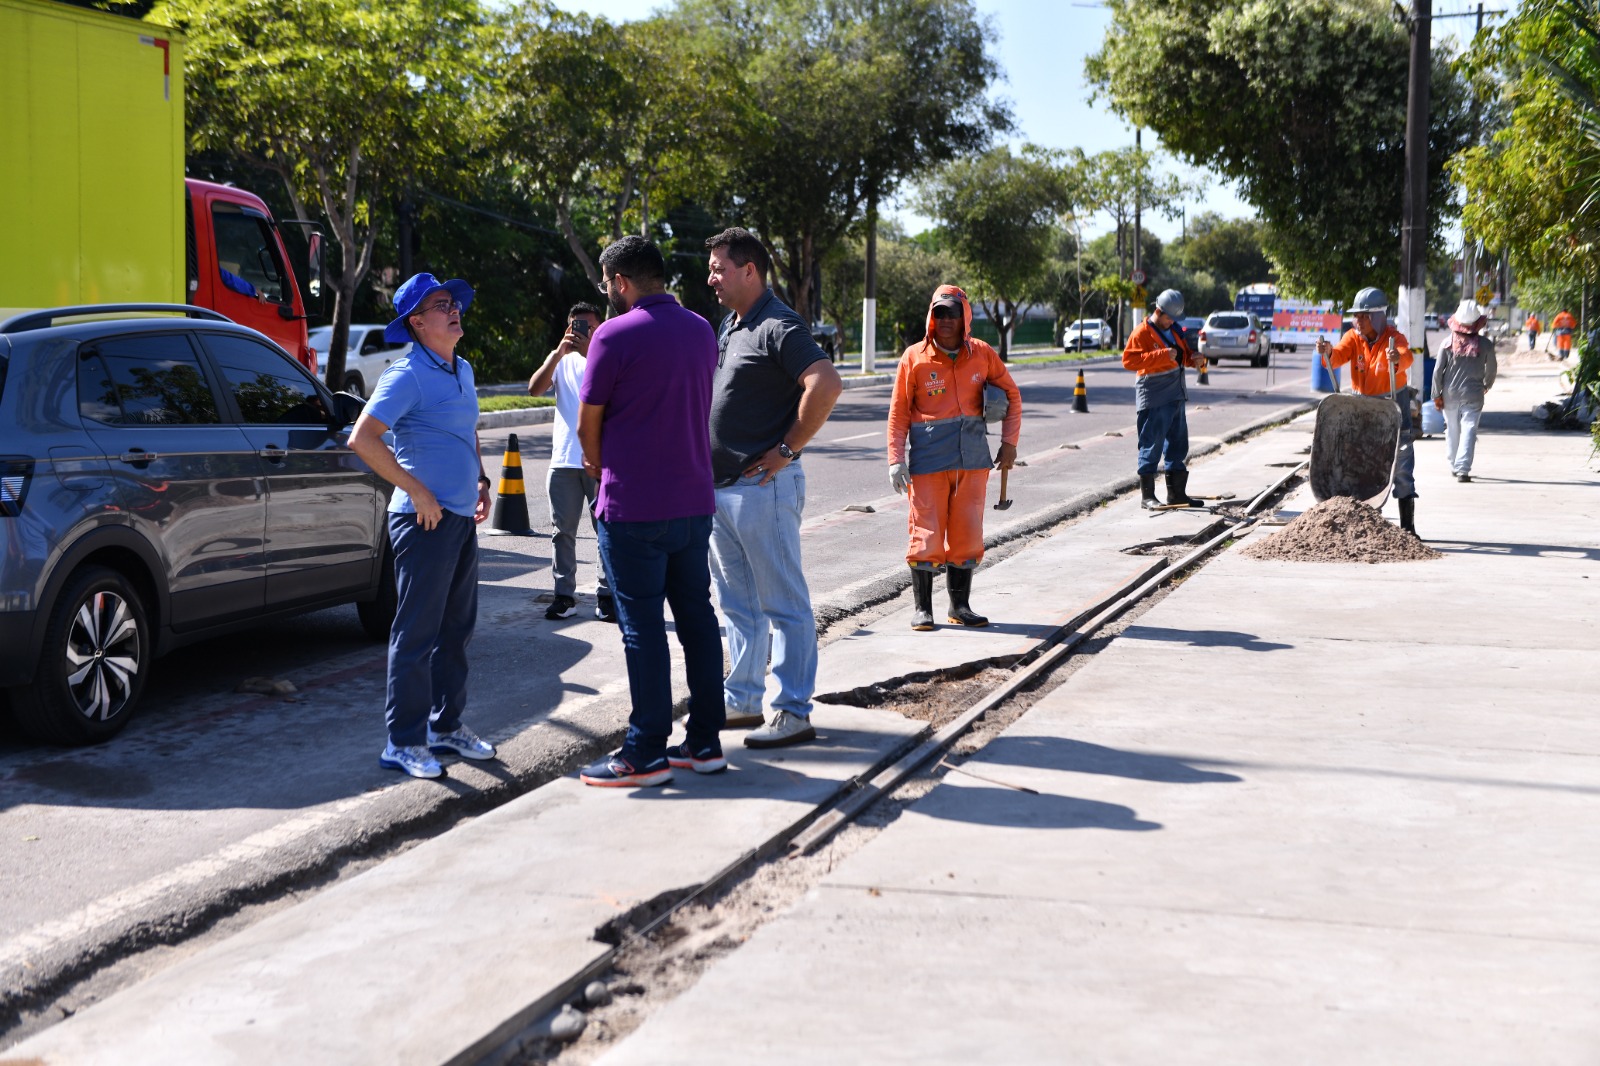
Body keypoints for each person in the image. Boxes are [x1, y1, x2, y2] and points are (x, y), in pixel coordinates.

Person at [576, 236, 725, 788]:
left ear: (620, 282)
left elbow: (588, 421)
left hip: (633, 505)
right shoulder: (701, 329)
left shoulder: (612, 335)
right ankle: (706, 741)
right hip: (693, 501)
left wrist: (595, 467)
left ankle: (645, 751)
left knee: (642, 630)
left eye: (605, 284)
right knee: (697, 619)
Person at [348, 273, 497, 779]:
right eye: (440, 305)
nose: (453, 309)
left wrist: (480, 480)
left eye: (453, 302)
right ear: (416, 322)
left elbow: (466, 430)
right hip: (422, 521)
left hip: (458, 517)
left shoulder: (464, 369)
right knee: (416, 634)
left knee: (456, 631)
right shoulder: (406, 374)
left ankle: (446, 726)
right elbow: (363, 439)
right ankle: (403, 742)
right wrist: (416, 489)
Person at [704, 227, 843, 750]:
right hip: (724, 488)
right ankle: (742, 699)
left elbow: (825, 384)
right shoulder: (731, 324)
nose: (710, 277)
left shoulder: (778, 324)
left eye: (719, 268)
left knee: (784, 603)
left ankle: (793, 711)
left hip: (765, 488)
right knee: (737, 603)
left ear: (749, 270)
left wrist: (788, 449)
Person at [886, 285, 1022, 630]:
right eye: (939, 313)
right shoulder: (914, 357)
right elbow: (898, 414)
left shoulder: (983, 354)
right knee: (926, 534)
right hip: (929, 462)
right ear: (931, 317)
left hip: (974, 462)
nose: (945, 320)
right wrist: (895, 459)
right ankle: (922, 610)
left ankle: (960, 607)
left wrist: (1010, 443)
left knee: (967, 535)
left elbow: (1012, 395)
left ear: (966, 317)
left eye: (952, 313)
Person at [527, 302, 614, 623]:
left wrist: (592, 349)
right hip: (563, 460)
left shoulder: (607, 357)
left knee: (604, 530)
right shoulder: (561, 361)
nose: (581, 332)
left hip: (598, 459)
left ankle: (607, 596)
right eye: (576, 326)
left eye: (588, 326)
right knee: (561, 532)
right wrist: (556, 354)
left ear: (600, 326)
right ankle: (564, 595)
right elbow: (534, 389)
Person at [1315, 286, 1420, 536]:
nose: (1357, 321)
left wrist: (1397, 358)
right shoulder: (1353, 337)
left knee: (1402, 463)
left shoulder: (1395, 338)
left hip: (1393, 407)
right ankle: (1366, 523)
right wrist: (1328, 352)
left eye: (1363, 316)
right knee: (1362, 463)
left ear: (1377, 316)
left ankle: (1408, 527)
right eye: (1356, 316)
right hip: (1362, 409)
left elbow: (1406, 357)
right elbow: (1338, 355)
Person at [1122, 289, 1207, 510]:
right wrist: (1159, 355)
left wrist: (1194, 359)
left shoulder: (1175, 330)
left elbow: (1182, 356)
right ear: (1158, 311)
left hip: (1176, 395)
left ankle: (1176, 494)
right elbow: (1129, 361)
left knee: (1178, 445)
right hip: (1154, 396)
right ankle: (1147, 497)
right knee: (1152, 444)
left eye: (1174, 319)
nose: (1171, 322)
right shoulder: (1141, 333)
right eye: (1169, 317)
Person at [1434, 299, 1498, 483]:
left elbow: (1438, 372)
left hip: (1450, 394)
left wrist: (1436, 395)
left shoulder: (1447, 343)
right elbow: (1492, 369)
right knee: (1469, 429)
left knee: (1452, 429)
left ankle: (1454, 465)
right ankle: (1463, 469)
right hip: (1474, 394)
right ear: (1478, 323)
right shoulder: (1486, 345)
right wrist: (1486, 385)